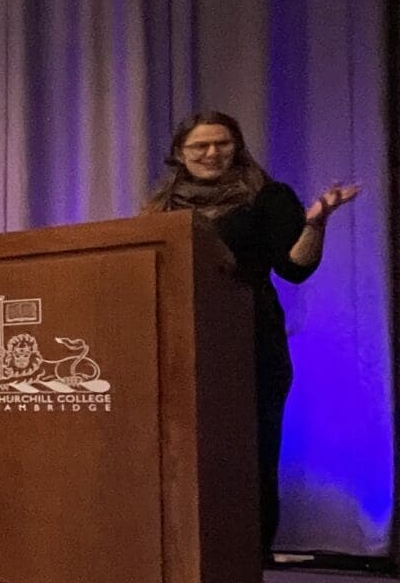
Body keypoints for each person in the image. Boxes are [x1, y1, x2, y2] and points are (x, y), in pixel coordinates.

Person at [143, 111, 361, 555]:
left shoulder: (267, 197)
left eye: (222, 143)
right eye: (199, 146)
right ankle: (184, 555)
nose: (211, 153)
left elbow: (295, 268)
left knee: (249, 451)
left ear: (237, 146)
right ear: (179, 154)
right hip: (181, 344)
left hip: (248, 341)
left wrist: (315, 223)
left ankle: (248, 557)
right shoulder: (162, 206)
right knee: (184, 452)